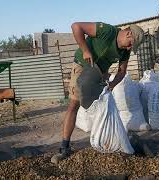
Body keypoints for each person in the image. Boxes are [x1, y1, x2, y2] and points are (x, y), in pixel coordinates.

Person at [51, 22, 144, 164]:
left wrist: (112, 85)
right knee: (74, 105)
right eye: (131, 44)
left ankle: (103, 140)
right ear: (128, 33)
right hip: (82, 66)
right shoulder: (107, 31)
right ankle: (64, 147)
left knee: (102, 107)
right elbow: (76, 26)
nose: (130, 48)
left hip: (99, 72)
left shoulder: (125, 51)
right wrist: (85, 50)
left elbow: (122, 71)